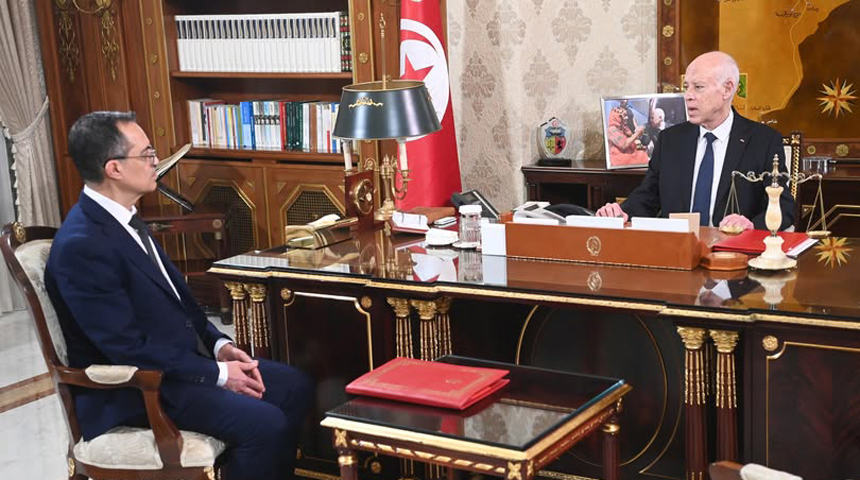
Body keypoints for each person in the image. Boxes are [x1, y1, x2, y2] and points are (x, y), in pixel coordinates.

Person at [44, 111, 312, 480]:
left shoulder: (124, 217)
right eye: (146, 154)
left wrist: (218, 346)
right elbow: (126, 348)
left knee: (294, 386)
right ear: (114, 169)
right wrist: (218, 374)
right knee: (265, 424)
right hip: (136, 390)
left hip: (176, 368)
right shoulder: (82, 244)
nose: (156, 161)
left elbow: (180, 303)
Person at [597, 51, 795, 231]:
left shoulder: (764, 141)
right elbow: (648, 196)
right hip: (677, 250)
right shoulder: (670, 140)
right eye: (686, 87)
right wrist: (622, 212)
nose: (688, 96)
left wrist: (751, 225)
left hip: (733, 251)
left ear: (727, 89)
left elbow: (784, 208)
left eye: (698, 87)